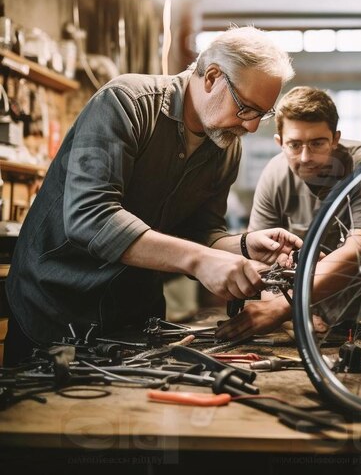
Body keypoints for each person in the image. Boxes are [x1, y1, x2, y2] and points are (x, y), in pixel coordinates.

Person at [4, 26, 301, 364]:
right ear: (212, 77)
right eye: (246, 108)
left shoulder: (225, 147)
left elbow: (201, 232)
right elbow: (90, 218)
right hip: (53, 306)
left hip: (132, 319)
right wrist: (201, 260)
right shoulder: (125, 104)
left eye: (262, 114)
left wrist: (243, 246)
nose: (249, 127)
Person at [215, 86, 361, 341]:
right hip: (310, 318)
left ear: (335, 139)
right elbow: (265, 261)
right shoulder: (274, 176)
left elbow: (357, 250)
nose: (305, 157)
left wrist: (283, 308)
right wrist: (288, 310)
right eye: (294, 144)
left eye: (317, 143)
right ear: (280, 142)